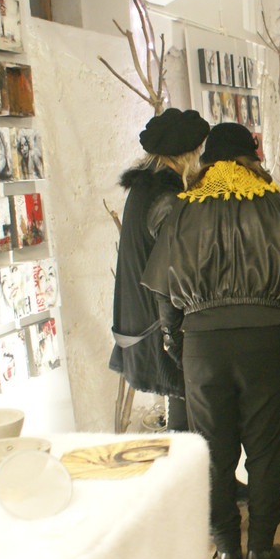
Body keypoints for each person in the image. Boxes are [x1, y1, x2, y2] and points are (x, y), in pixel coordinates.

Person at [142, 122, 280, 559]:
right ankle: (260, 549)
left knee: (214, 457)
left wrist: (177, 344)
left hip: (204, 347)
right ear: (249, 159)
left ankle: (226, 549)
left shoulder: (184, 208)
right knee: (266, 454)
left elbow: (163, 292)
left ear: (207, 162)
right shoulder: (271, 202)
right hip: (268, 340)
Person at [109, 108, 210, 435]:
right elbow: (173, 276)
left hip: (143, 325)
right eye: (199, 152)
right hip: (158, 330)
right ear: (187, 155)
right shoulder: (167, 199)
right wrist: (177, 343)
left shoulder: (144, 190)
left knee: (185, 424)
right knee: (188, 427)